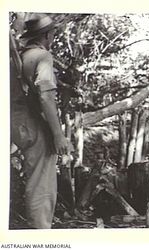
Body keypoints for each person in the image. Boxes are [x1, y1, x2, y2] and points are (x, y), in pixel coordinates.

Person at [10, 13, 69, 229]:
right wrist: (58, 135)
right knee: (41, 183)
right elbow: (45, 96)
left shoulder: (15, 58)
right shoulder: (42, 57)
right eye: (53, 33)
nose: (53, 36)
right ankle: (40, 234)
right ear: (47, 35)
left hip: (14, 123)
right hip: (33, 124)